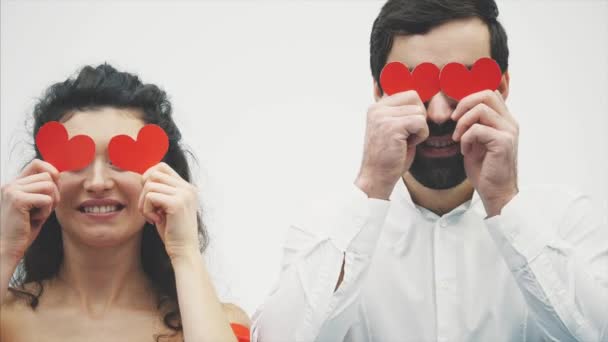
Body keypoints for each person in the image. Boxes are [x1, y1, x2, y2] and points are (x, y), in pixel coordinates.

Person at [252, 1, 608, 341]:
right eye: (414, 85)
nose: (438, 114)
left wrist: (504, 202)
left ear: (500, 88)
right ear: (380, 93)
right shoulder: (324, 225)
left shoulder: (563, 219)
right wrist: (371, 186)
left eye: (462, 83)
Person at [0, 64, 250, 341]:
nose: (97, 182)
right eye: (75, 159)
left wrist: (185, 252)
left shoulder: (215, 322)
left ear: (163, 178)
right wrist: (5, 247)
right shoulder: (7, 317)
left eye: (121, 160)